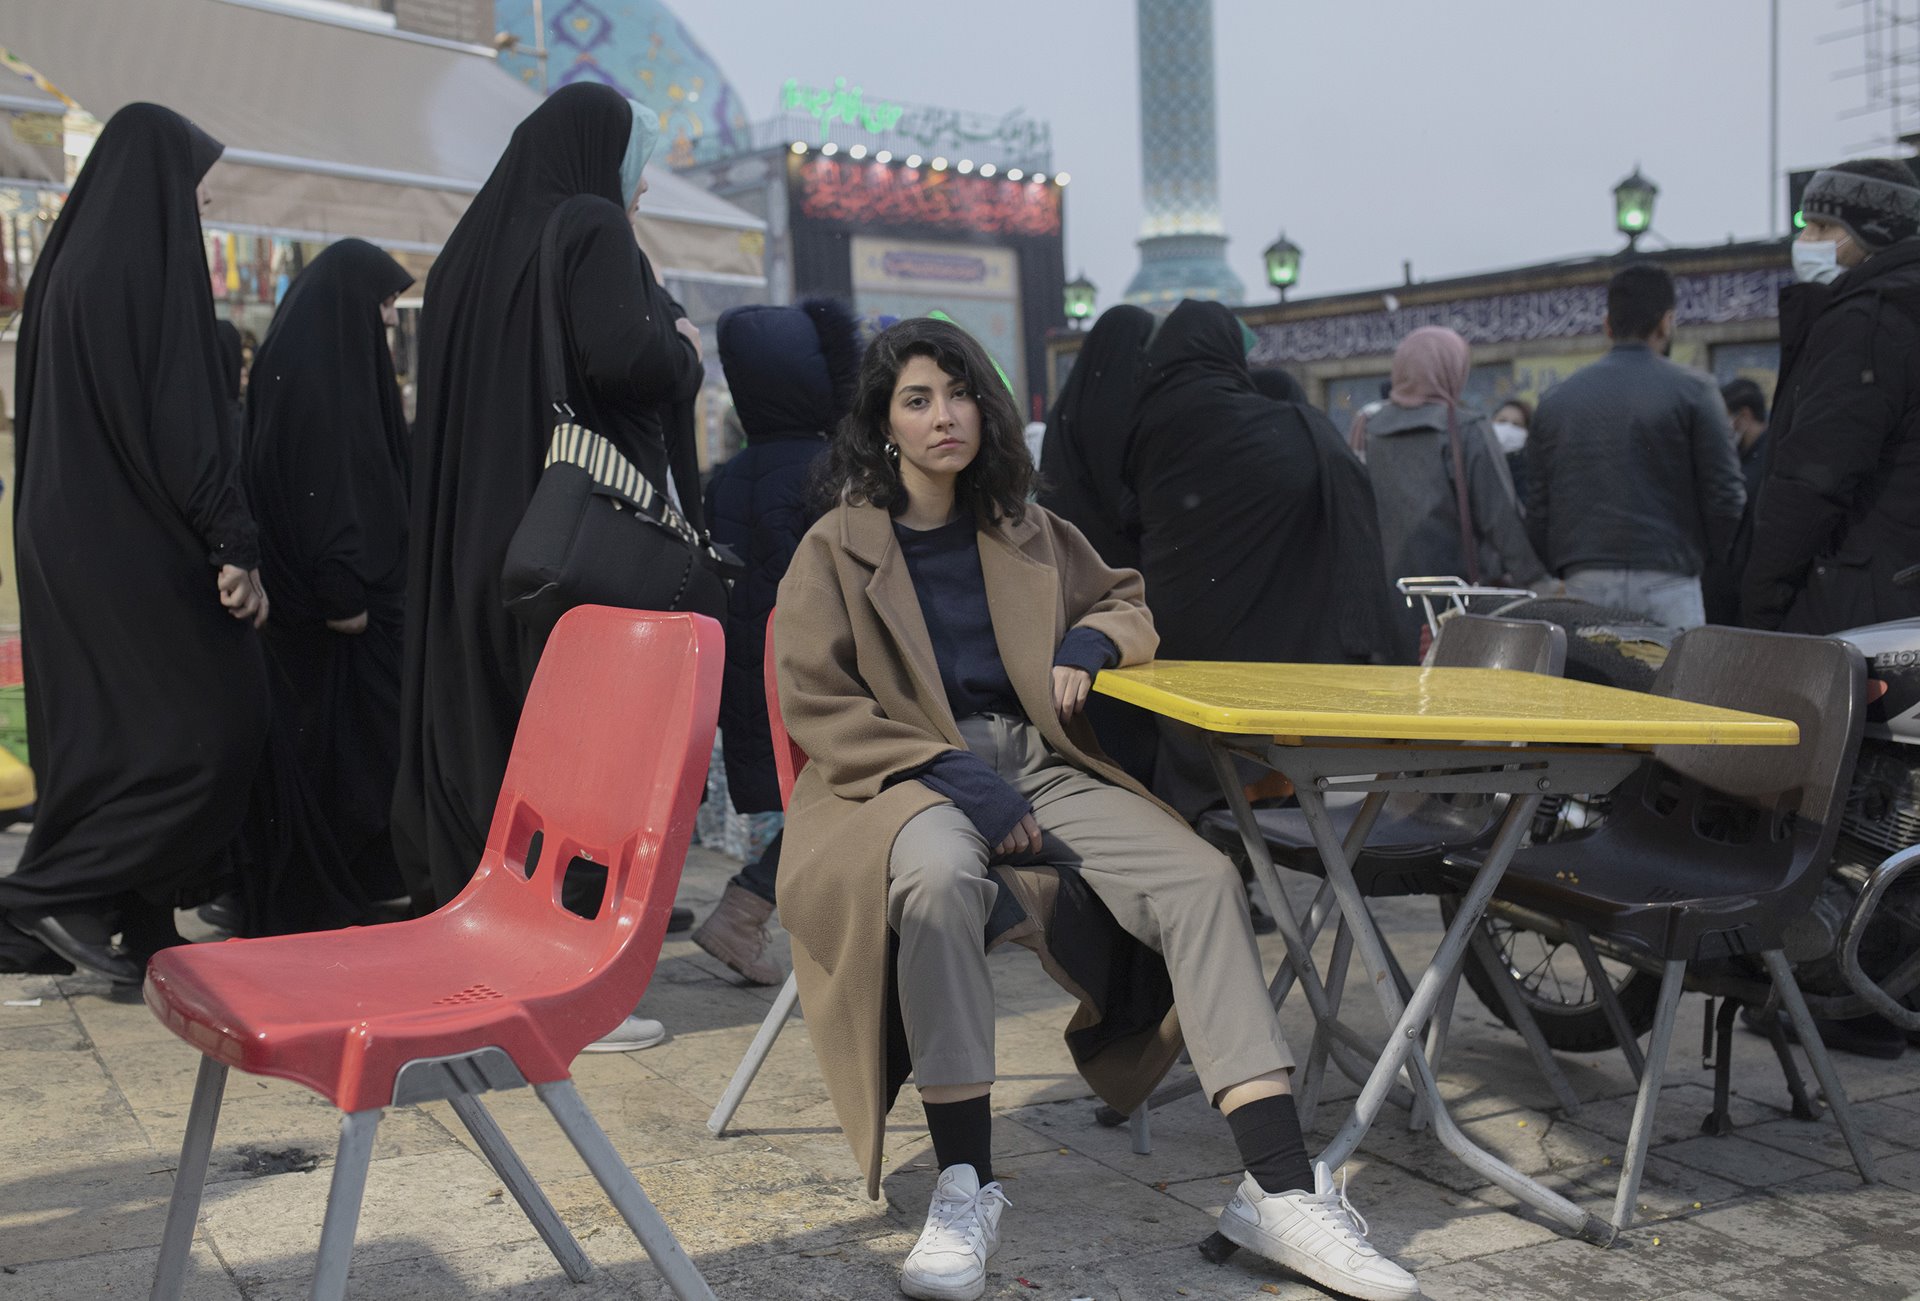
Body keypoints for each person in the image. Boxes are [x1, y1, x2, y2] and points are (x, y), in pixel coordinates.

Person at [772, 316, 1419, 1301]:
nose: (944, 415)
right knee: (941, 877)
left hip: (1041, 762)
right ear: (883, 425)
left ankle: (1278, 1189)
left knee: (1202, 878)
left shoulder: (1029, 528)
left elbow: (1127, 598)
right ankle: (966, 1179)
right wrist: (959, 776)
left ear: (986, 407)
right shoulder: (836, 547)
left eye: (958, 393)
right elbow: (817, 703)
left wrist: (1094, 644)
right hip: (899, 777)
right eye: (917, 398)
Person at [392, 84, 703, 1052]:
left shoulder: (466, 252)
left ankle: (477, 955)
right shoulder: (591, 225)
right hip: (566, 535)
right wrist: (681, 346)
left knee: (490, 728)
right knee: (575, 744)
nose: (640, 184)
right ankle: (554, 978)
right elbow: (625, 360)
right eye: (636, 160)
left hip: (474, 533)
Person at [0, 103, 270, 981]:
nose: (196, 209)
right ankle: (47, 892)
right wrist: (234, 541)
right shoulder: (152, 267)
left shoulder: (66, 267)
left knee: (109, 733)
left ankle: (142, 919)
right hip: (130, 538)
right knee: (210, 728)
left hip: (63, 534)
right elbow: (188, 417)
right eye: (189, 189)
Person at [1127, 300, 1401, 815]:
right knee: (1255, 736)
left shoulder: (1148, 420)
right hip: (1264, 627)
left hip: (1179, 620)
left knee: (1197, 738)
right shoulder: (1284, 428)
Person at [691, 297, 861, 986]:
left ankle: (751, 909)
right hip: (816, 670)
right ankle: (746, 907)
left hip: (749, 672)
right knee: (846, 790)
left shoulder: (729, 474)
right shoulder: (828, 471)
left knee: (822, 794)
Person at [244, 238, 415, 907]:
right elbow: (328, 481)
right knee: (354, 757)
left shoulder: (303, 357)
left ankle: (353, 880)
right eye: (385, 301)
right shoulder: (325, 374)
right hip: (342, 611)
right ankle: (346, 883)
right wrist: (343, 586)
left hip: (326, 609)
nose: (392, 319)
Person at [1742, 159, 1920, 633]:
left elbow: (1815, 478)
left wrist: (1760, 601)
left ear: (1873, 234)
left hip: (1863, 600)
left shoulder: (1865, 323)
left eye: (1823, 227)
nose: (1806, 242)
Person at [1527, 264, 1746, 628]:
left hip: (1584, 584)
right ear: (1667, 322)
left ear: (1607, 325)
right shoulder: (1695, 390)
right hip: (1670, 581)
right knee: (1674, 684)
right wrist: (1706, 559)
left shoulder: (1555, 399)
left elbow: (1538, 507)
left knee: (1591, 685)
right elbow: (1726, 497)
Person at [1354, 327, 1547, 645]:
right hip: (1453, 603)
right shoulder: (1466, 428)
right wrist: (1538, 581)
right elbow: (1500, 517)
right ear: (1453, 370)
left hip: (1382, 604)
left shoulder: (1368, 429)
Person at [1036, 304, 1160, 783]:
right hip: (1118, 577)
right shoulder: (1126, 408)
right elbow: (1127, 502)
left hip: (1070, 581)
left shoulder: (1069, 406)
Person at [1036, 303, 1156, 571]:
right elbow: (1121, 495)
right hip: (1116, 563)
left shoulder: (1069, 404)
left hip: (1069, 555)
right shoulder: (1118, 408)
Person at [1491, 397, 1533, 511]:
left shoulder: (1529, 471)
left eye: (1516, 425)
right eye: (1502, 421)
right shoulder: (1475, 460)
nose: (1508, 428)